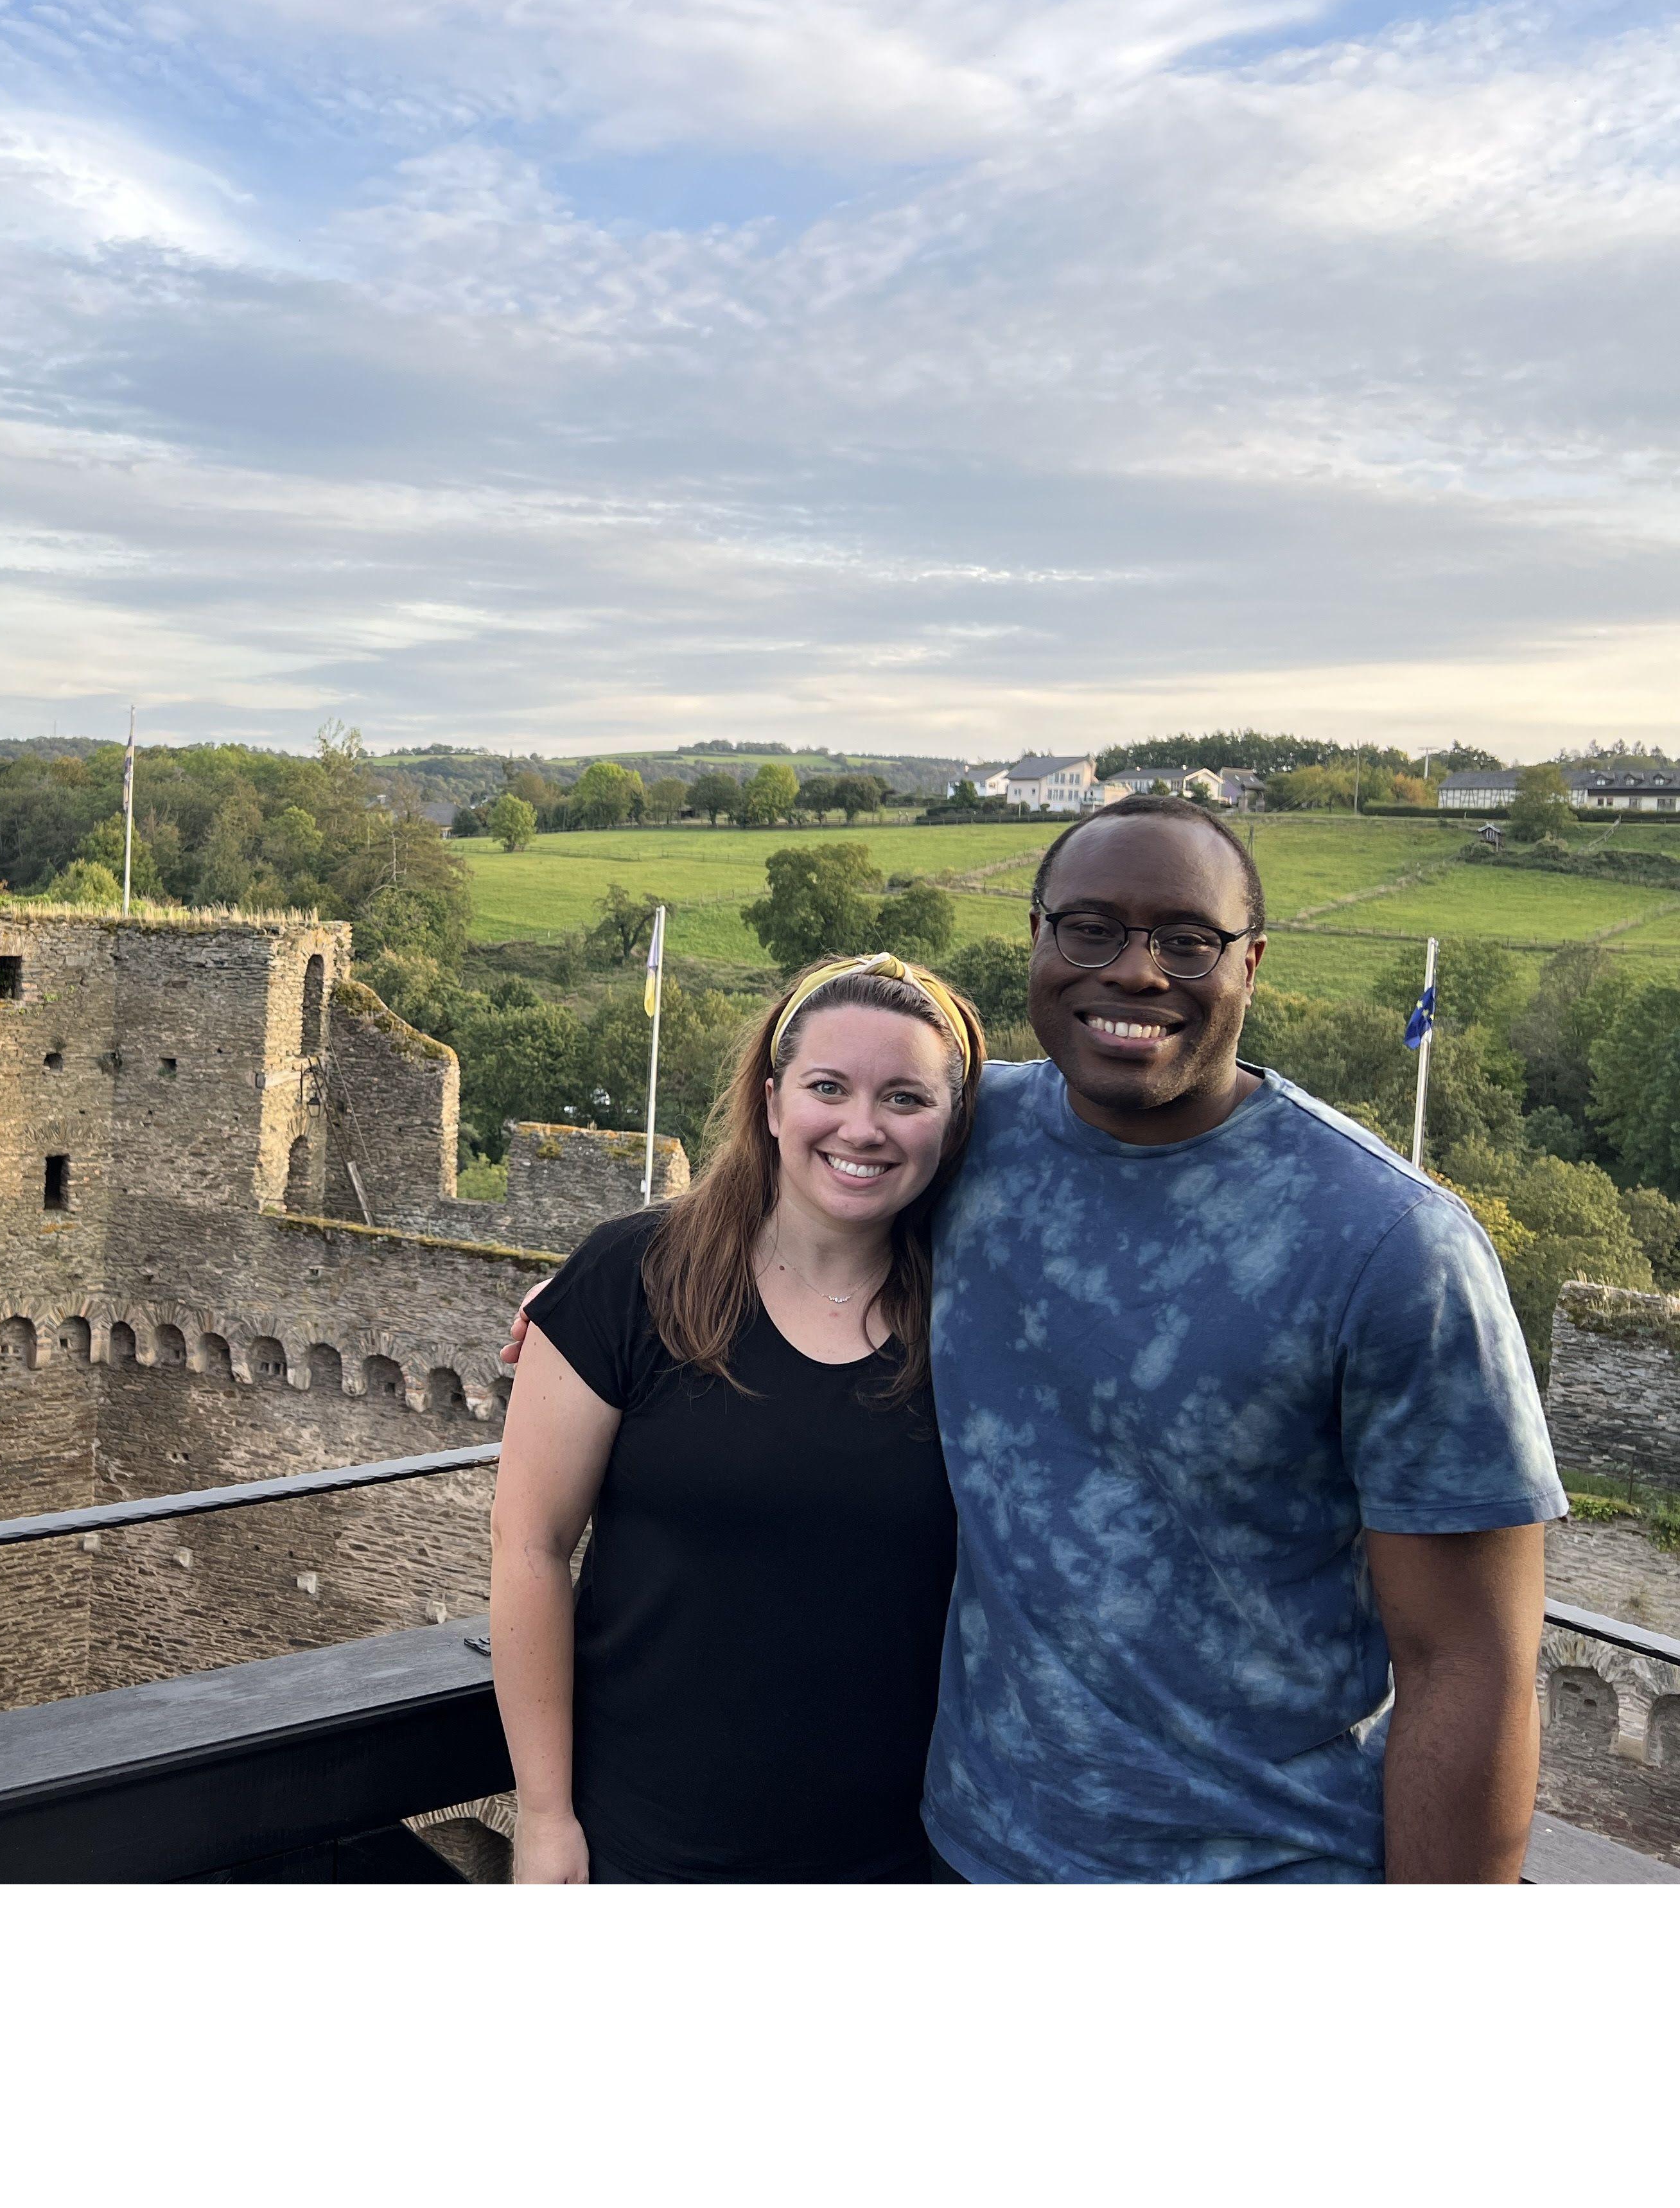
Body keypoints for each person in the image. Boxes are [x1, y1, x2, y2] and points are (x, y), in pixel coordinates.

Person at [507, 795, 1564, 1882]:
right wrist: (599, 1296)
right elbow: (828, 1173)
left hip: (1256, 1873)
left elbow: (1471, 1663)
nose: (1138, 973)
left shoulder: (1393, 1247)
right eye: (1092, 929)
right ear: (1040, 942)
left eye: (1188, 942)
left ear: (1251, 963)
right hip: (962, 1852)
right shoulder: (978, 1133)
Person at [490, 954, 985, 1882]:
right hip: (643, 1841)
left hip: (891, 1857)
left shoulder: (981, 1319)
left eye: (908, 1099)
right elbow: (529, 1544)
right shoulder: (634, 1280)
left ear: (953, 1125)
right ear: (770, 1100)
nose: (862, 1128)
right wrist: (546, 1815)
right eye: (827, 1087)